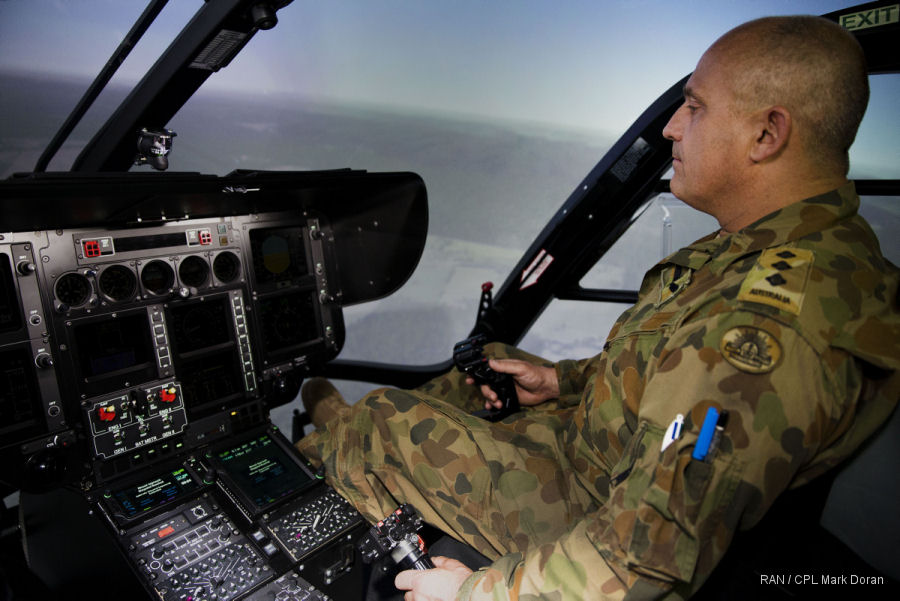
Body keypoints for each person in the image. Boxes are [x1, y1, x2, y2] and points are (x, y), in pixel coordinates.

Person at [296, 15, 900, 601]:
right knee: (493, 365)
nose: (672, 129)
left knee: (382, 425)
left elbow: (644, 555)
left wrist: (473, 591)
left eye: (695, 107)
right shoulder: (793, 249)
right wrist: (562, 380)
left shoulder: (764, 325)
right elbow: (669, 368)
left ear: (766, 135)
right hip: (601, 452)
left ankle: (321, 454)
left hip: (597, 510)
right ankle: (339, 432)